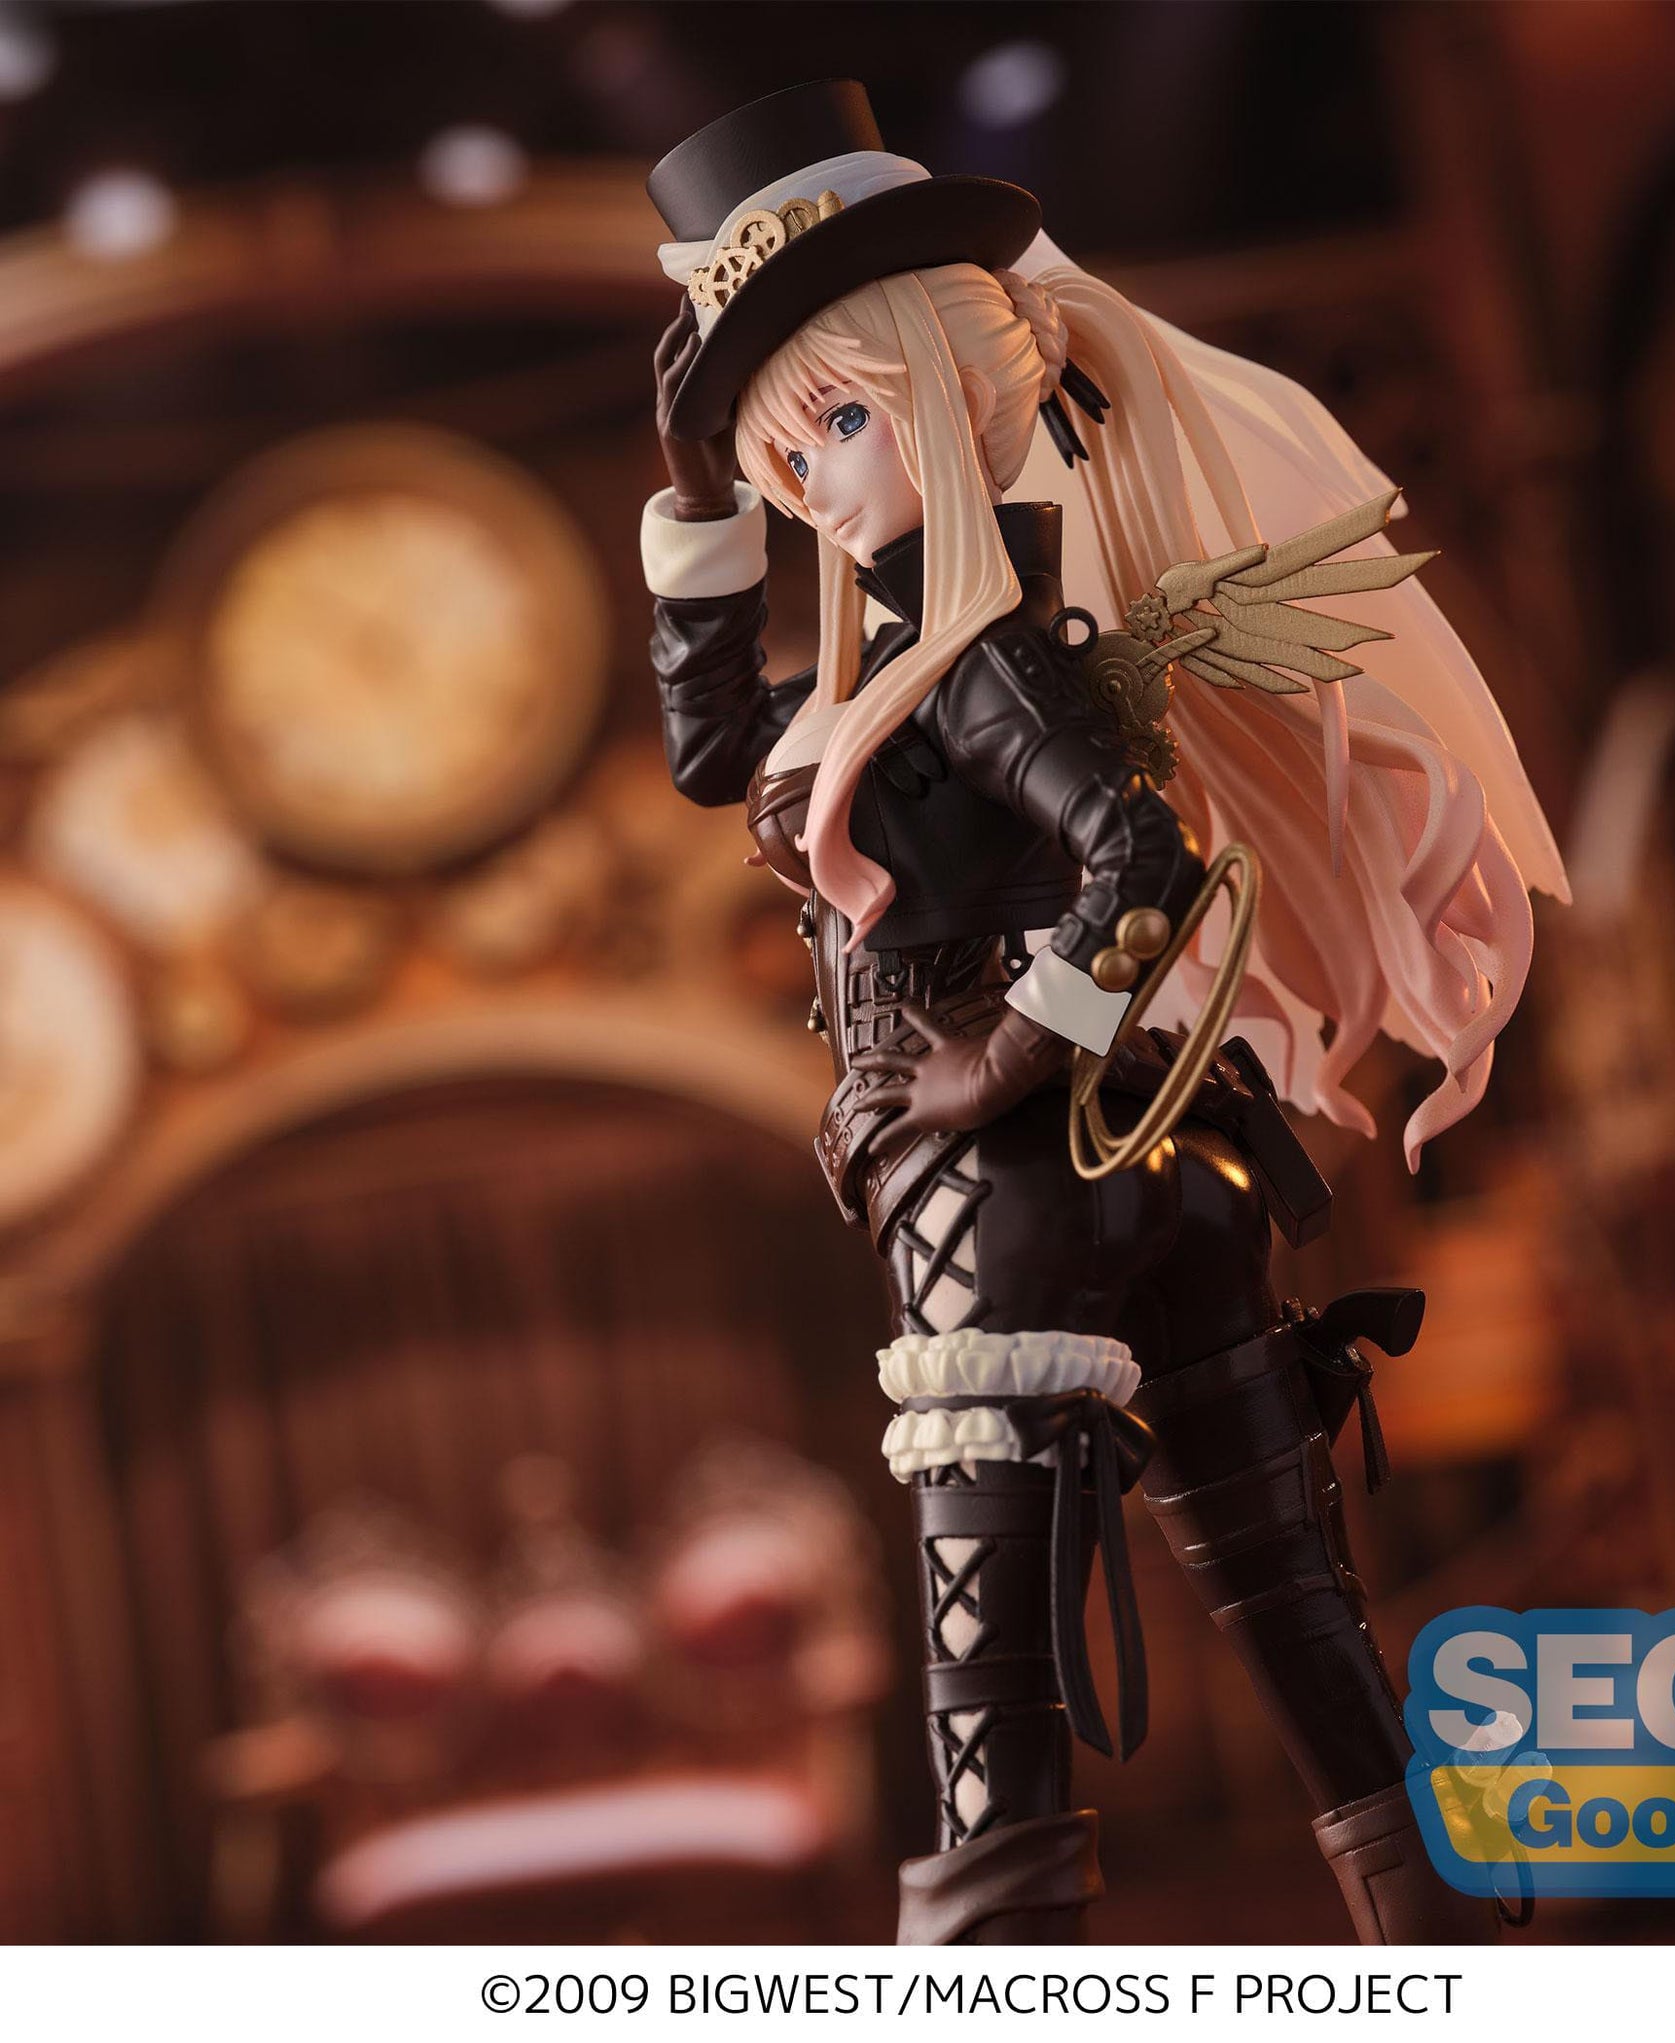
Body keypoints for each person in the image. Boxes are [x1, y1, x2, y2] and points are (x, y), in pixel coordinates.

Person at [642, 80, 1567, 1946]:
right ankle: (1436, 1945)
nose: (808, 478)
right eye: (780, 451)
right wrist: (696, 501)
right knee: (1292, 1607)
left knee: (990, 1689)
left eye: (834, 424)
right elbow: (713, 749)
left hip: (1003, 1195)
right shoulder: (907, 660)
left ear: (939, 394)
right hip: (1171, 1166)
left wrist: (998, 1060)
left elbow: (1145, 854)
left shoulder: (980, 663)